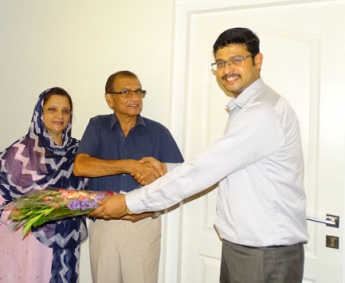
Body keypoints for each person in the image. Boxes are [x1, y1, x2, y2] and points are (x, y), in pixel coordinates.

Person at [89, 28, 309, 283]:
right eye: (221, 63)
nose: (227, 70)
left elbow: (203, 170)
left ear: (257, 61)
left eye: (237, 60)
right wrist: (165, 169)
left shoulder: (261, 113)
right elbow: (224, 167)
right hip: (244, 247)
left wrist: (129, 202)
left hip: (264, 252)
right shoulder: (246, 109)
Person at [73, 70, 184, 283]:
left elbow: (180, 179)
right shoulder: (97, 125)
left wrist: (151, 211)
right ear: (109, 98)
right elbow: (81, 166)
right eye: (126, 92)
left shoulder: (158, 132)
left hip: (142, 225)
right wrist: (129, 165)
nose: (135, 98)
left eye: (138, 92)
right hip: (104, 224)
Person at [0, 87, 88, 283]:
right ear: (40, 112)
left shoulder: (79, 152)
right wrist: (13, 213)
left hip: (66, 241)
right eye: (52, 109)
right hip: (27, 240)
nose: (60, 116)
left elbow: (87, 196)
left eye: (66, 111)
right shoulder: (21, 152)